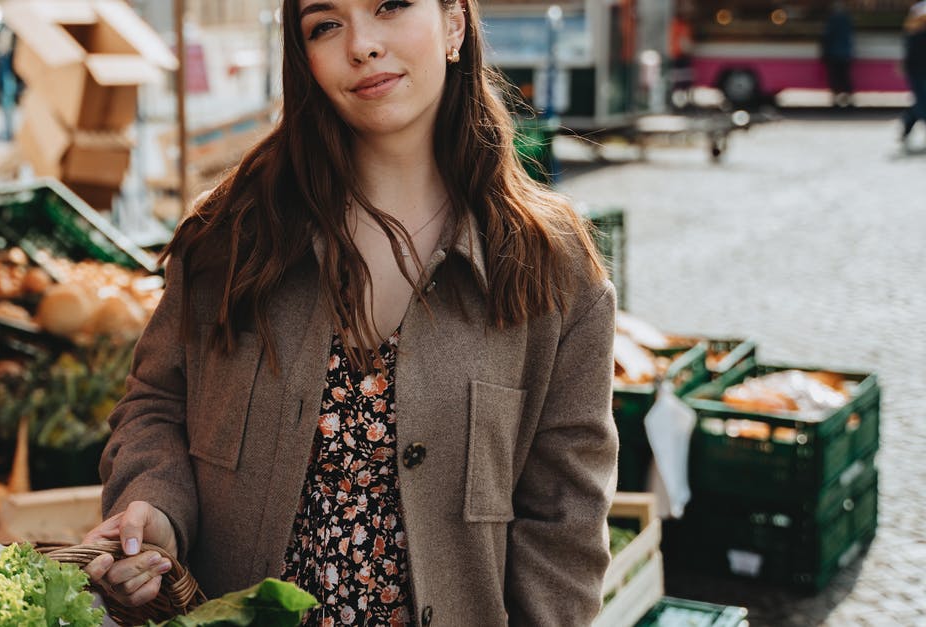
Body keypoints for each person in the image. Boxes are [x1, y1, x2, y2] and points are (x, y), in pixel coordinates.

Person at [81, 0, 619, 625]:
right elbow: (156, 403)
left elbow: (565, 523)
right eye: (325, 24)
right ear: (303, 58)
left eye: (390, 6)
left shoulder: (551, 270)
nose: (361, 44)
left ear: (454, 23)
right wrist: (156, 511)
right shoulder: (231, 235)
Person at [821, 1, 855, 107]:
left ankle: (836, 100)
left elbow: (827, 36)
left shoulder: (832, 20)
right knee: (845, 77)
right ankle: (848, 99)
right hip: (845, 53)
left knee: (835, 78)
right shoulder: (847, 19)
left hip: (834, 53)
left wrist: (824, 52)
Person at [902, 1, 926, 144]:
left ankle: (907, 125)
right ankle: (907, 125)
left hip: (918, 71)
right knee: (922, 103)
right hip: (917, 72)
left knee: (921, 103)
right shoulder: (914, 35)